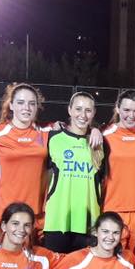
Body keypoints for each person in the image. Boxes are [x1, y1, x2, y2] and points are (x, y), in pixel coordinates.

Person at [0, 83, 102, 233]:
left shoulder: (47, 132)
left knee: (36, 256)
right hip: (8, 211)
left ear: (37, 107)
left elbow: (76, 128)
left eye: (31, 103)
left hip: (39, 212)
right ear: (11, 105)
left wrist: (95, 129)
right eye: (20, 103)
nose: (26, 108)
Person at [42, 91, 104, 253]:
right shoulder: (53, 138)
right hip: (58, 220)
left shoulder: (101, 144)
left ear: (94, 113)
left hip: (88, 223)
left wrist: (96, 129)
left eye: (88, 110)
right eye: (78, 109)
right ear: (69, 110)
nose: (82, 115)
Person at [102, 89, 135, 253]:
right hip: (113, 207)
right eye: (126, 110)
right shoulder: (105, 135)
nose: (131, 116)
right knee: (112, 258)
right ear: (117, 108)